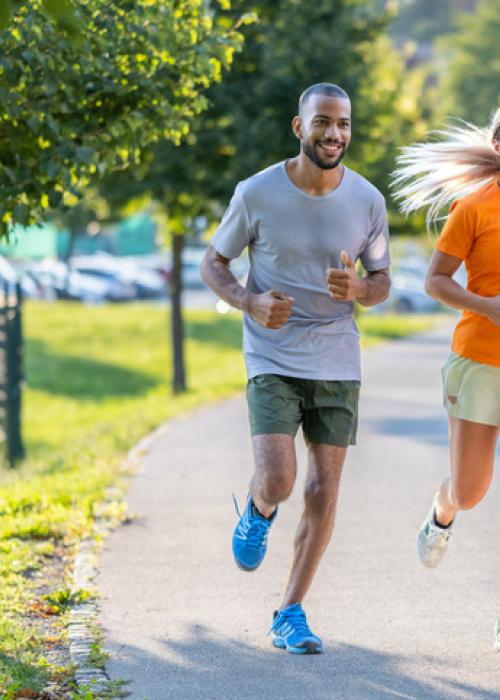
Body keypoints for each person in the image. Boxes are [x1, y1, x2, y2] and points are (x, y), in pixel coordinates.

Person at [201, 82, 390, 654]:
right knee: (281, 479)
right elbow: (214, 261)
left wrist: (359, 287)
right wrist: (247, 301)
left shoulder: (368, 201)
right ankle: (259, 509)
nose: (335, 134)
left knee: (322, 490)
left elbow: (382, 283)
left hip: (336, 354)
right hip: (272, 352)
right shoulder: (256, 193)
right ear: (298, 126)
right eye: (324, 122)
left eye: (344, 124)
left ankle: (290, 611)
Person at [392, 108, 500, 645]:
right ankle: (442, 511)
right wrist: (488, 306)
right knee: (472, 489)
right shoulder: (475, 206)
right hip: (480, 358)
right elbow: (435, 281)